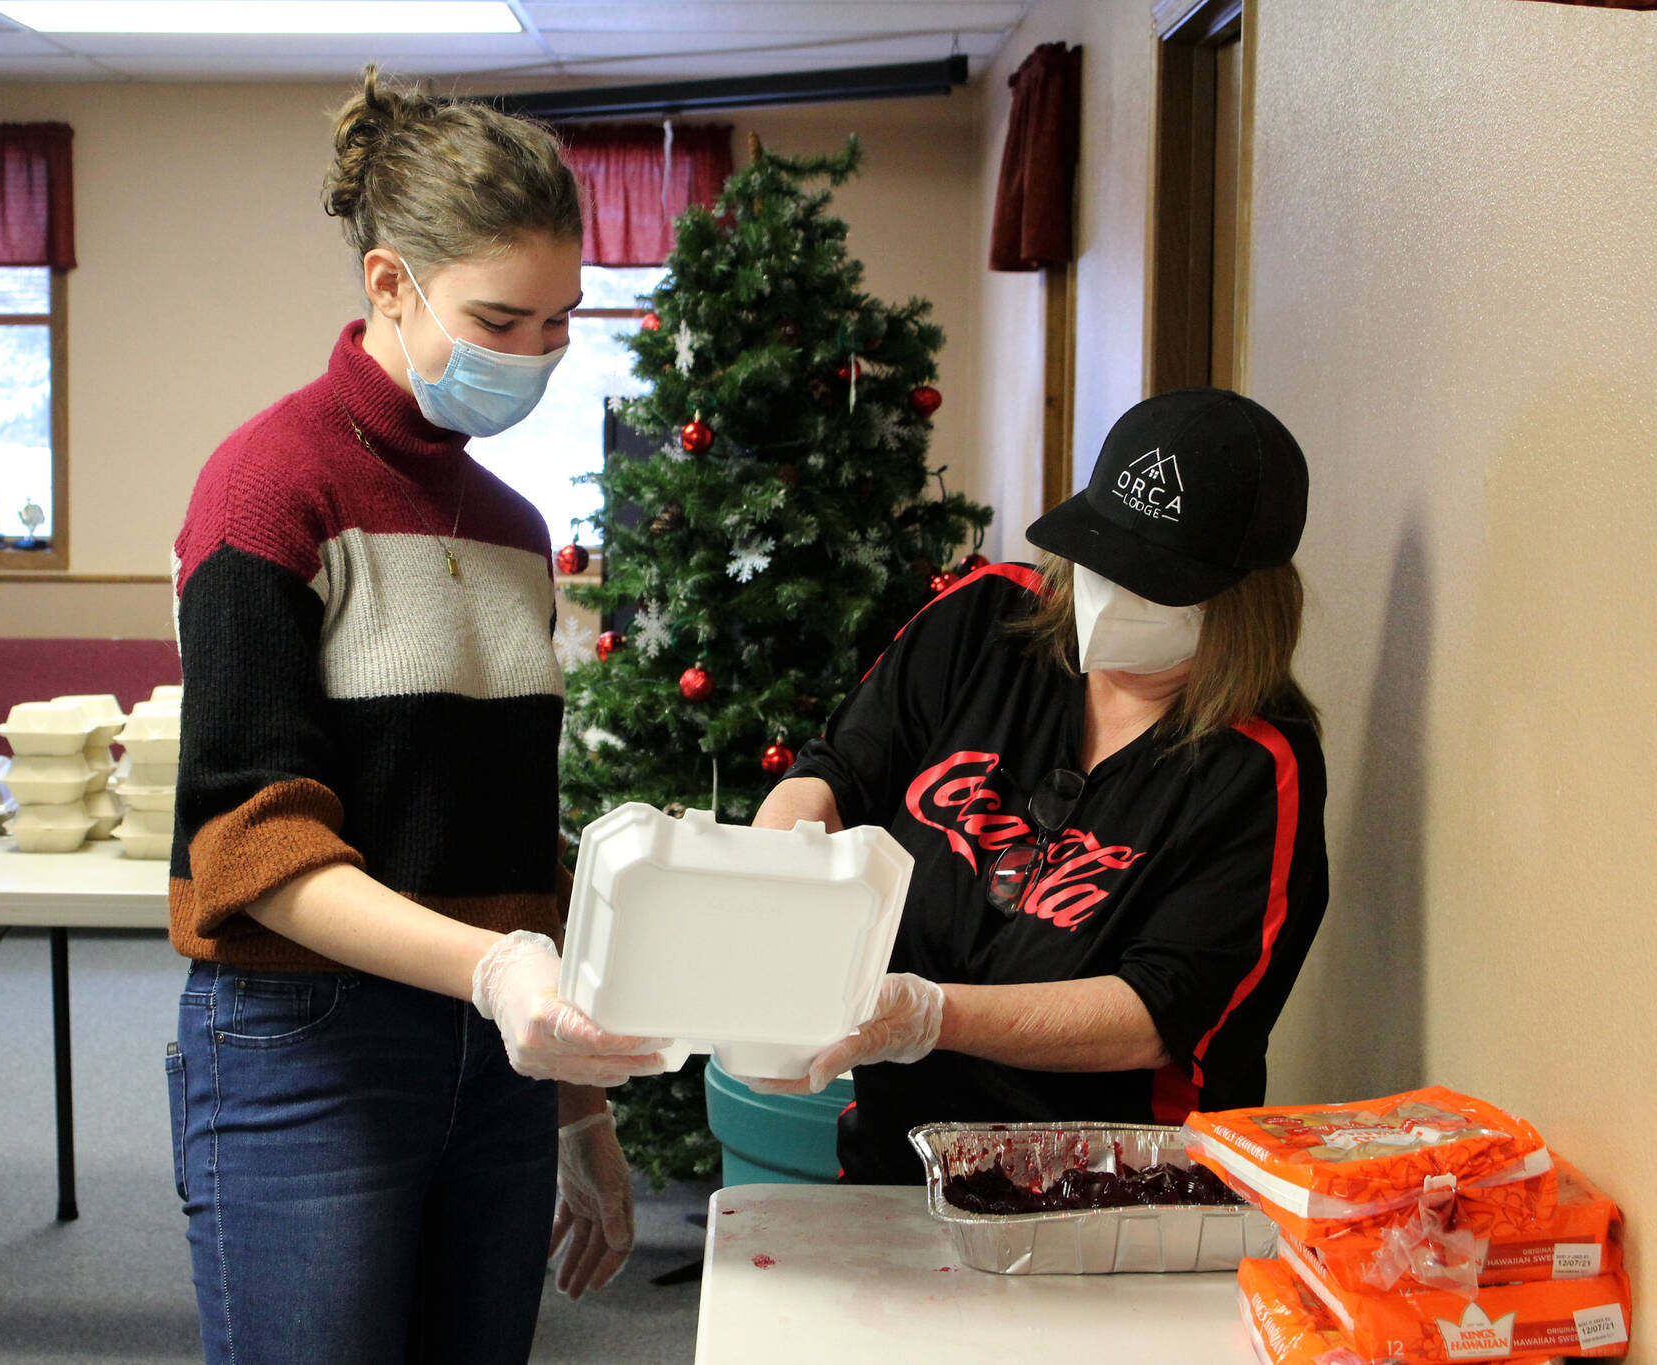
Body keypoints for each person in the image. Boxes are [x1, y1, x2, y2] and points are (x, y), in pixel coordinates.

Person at [165, 67, 666, 1365]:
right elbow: (250, 848)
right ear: (390, 285)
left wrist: (575, 1113)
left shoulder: (509, 528)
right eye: (502, 319)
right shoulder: (266, 491)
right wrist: (495, 971)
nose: (538, 358)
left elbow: (505, 844)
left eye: (560, 324)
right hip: (309, 1045)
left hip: (494, 1061)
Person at [749, 387, 1329, 1185]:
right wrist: (773, 871)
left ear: (1242, 601)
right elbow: (838, 773)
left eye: (1152, 581)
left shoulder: (1259, 767)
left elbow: (1159, 1013)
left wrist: (928, 1015)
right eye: (1102, 559)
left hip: (1109, 1195)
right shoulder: (986, 621)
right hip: (895, 1158)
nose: (1110, 595)